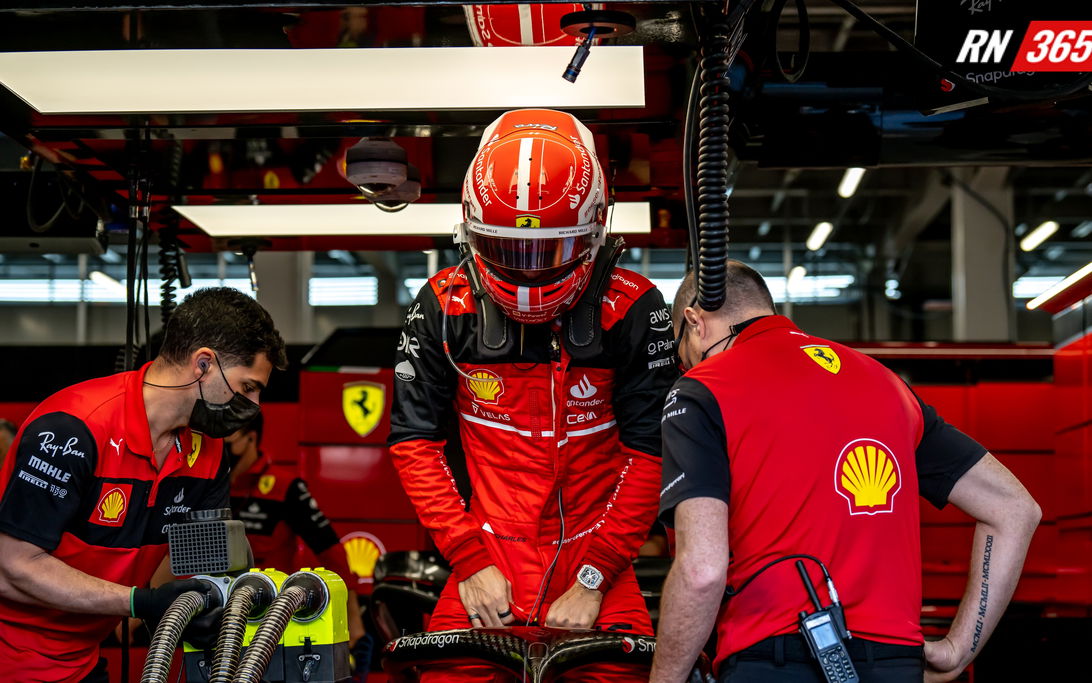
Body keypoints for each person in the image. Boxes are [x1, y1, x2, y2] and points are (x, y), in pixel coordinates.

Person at [388, 108, 677, 681]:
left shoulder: (634, 308)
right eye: (509, 251)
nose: (528, 272)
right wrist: (469, 561)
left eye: (549, 251)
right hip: (487, 559)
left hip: (597, 562)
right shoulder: (444, 306)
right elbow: (414, 443)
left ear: (595, 229)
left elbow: (652, 453)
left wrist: (594, 576)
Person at [650, 264, 1042, 683]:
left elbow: (702, 571)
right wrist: (958, 649)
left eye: (683, 355)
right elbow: (1014, 508)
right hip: (896, 664)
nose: (687, 367)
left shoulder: (703, 387)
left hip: (774, 659)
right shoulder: (886, 383)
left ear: (694, 322)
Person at [0, 287, 286, 683]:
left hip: (81, 660)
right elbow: (12, 566)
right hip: (10, 658)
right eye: (248, 387)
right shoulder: (75, 427)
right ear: (204, 364)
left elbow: (206, 565)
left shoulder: (207, 451)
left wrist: (208, 605)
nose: (253, 405)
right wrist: (140, 602)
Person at [225, 411, 369, 658]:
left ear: (251, 438)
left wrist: (352, 616)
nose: (221, 448)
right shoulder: (209, 487)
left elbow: (329, 548)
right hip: (222, 610)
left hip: (272, 613)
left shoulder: (285, 487)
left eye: (227, 439)